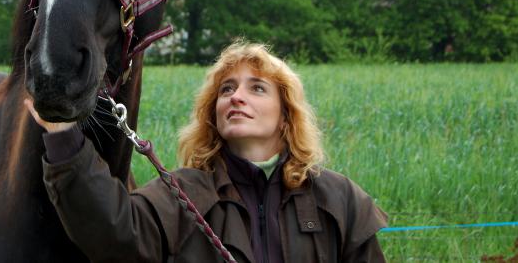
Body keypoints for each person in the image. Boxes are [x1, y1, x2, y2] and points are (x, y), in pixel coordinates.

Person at [25, 41, 387, 262]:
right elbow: (115, 233)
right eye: (226, 89)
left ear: (285, 116)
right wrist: (63, 136)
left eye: (257, 88)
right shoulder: (185, 194)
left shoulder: (338, 200)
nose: (236, 96)